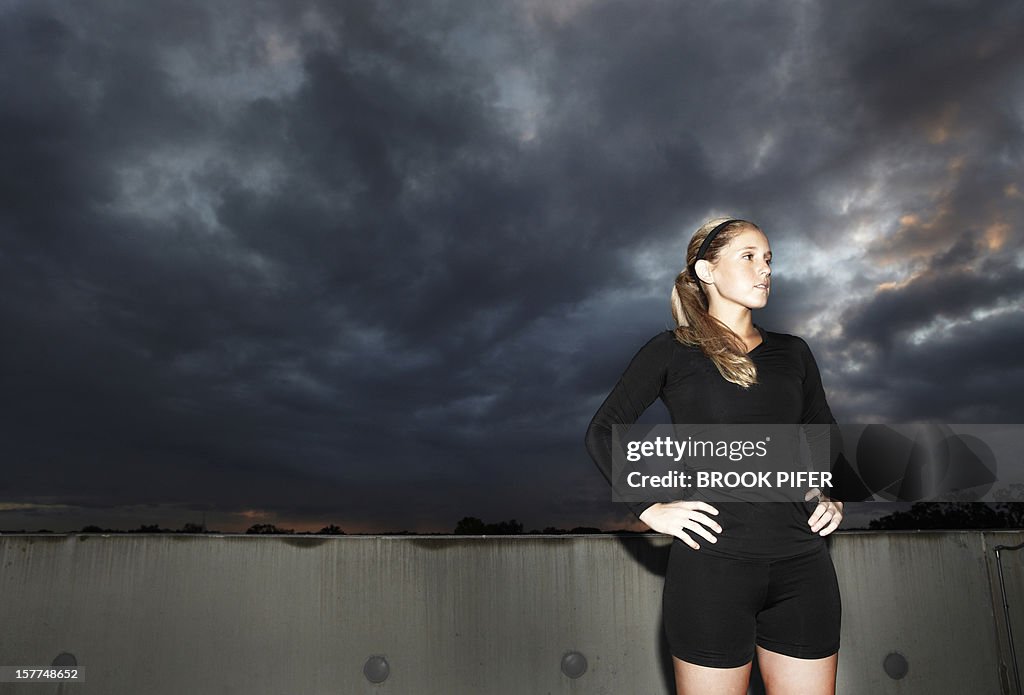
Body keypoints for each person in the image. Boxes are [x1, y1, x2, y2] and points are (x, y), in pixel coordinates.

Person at [584, 217, 845, 695]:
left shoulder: (794, 353)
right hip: (712, 572)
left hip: (803, 566)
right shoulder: (671, 351)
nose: (764, 269)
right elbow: (602, 431)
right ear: (707, 271)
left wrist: (825, 489)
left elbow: (821, 430)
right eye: (748, 257)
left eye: (768, 259)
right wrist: (648, 507)